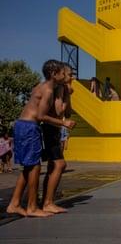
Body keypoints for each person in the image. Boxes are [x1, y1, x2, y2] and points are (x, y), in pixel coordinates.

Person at [6, 59, 75, 217]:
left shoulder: (43, 87)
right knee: (34, 167)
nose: (67, 76)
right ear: (53, 74)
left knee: (30, 167)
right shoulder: (49, 91)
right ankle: (32, 207)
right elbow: (41, 115)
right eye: (63, 73)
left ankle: (15, 204)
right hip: (29, 127)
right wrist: (64, 122)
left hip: (26, 126)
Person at [41, 63, 74, 214]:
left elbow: (68, 112)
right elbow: (58, 109)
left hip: (55, 129)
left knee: (52, 167)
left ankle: (47, 200)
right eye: (69, 74)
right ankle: (47, 202)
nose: (71, 77)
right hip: (49, 128)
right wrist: (66, 95)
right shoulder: (56, 89)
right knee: (59, 165)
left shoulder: (63, 89)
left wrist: (68, 94)